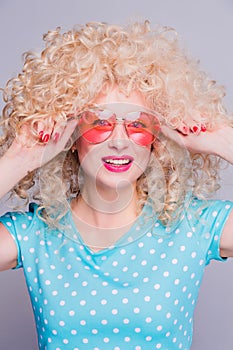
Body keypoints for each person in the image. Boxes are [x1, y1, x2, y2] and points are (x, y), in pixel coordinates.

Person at [0, 20, 233, 350]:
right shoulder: (33, 235)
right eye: (99, 123)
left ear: (157, 137)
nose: (120, 142)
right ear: (71, 135)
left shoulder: (194, 226)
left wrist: (224, 140)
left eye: (138, 124)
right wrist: (17, 160)